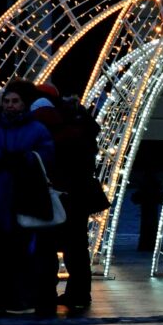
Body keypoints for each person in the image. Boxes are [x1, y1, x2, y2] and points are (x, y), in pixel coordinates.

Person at [0, 79, 54, 314]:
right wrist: (1, 157)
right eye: (7, 101)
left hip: (24, 196)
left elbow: (46, 154)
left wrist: (25, 158)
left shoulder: (36, 129)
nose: (10, 105)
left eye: (15, 101)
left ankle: (18, 298)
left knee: (21, 252)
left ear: (24, 103)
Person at [31, 85, 107, 311]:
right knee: (76, 248)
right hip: (78, 195)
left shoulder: (48, 126)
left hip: (58, 194)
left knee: (48, 246)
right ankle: (79, 294)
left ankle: (47, 293)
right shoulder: (80, 125)